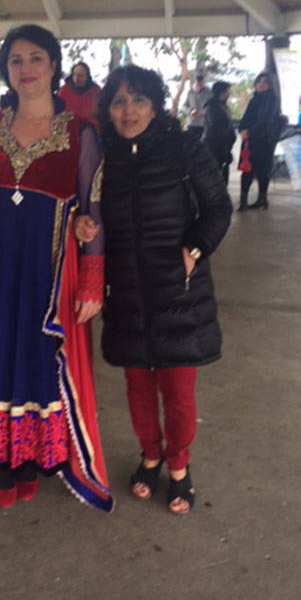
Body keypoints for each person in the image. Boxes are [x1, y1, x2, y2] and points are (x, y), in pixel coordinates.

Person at [0, 24, 113, 512]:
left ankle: (34, 461)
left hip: (51, 272)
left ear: (54, 66)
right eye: (15, 60)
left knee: (41, 357)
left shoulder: (80, 134)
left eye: (35, 58)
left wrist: (91, 279)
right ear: (6, 70)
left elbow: (94, 210)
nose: (25, 69)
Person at [76, 65, 231, 514]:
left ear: (156, 104)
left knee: (179, 390)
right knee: (137, 386)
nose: (129, 111)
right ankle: (150, 454)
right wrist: (82, 224)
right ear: (108, 108)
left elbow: (218, 207)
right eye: (120, 101)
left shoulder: (184, 148)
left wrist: (196, 246)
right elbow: (85, 209)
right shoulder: (101, 155)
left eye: (139, 100)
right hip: (124, 291)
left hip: (178, 292)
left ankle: (179, 465)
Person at [237, 72, 281, 210]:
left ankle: (262, 199)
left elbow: (264, 121)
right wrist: (242, 130)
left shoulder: (272, 101)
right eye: (259, 82)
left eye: (265, 82)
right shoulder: (253, 99)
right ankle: (243, 201)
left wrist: (248, 132)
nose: (261, 84)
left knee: (262, 171)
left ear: (269, 85)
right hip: (250, 140)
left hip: (264, 141)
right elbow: (245, 118)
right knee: (247, 170)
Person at [202, 81, 236, 184]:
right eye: (227, 91)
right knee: (215, 178)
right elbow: (215, 129)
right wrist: (227, 139)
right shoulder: (212, 107)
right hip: (215, 148)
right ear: (221, 92)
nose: (229, 94)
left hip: (223, 148)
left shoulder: (222, 106)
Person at [58, 61, 100, 127]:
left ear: (87, 77)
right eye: (74, 75)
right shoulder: (64, 91)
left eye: (81, 76)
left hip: (92, 131)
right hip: (69, 131)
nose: (76, 79)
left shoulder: (96, 92)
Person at [184, 73, 211, 139]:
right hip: (191, 123)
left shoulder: (209, 92)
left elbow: (212, 108)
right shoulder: (190, 92)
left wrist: (202, 112)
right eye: (197, 83)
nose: (199, 85)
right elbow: (184, 106)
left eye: (201, 83)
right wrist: (190, 111)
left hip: (204, 124)